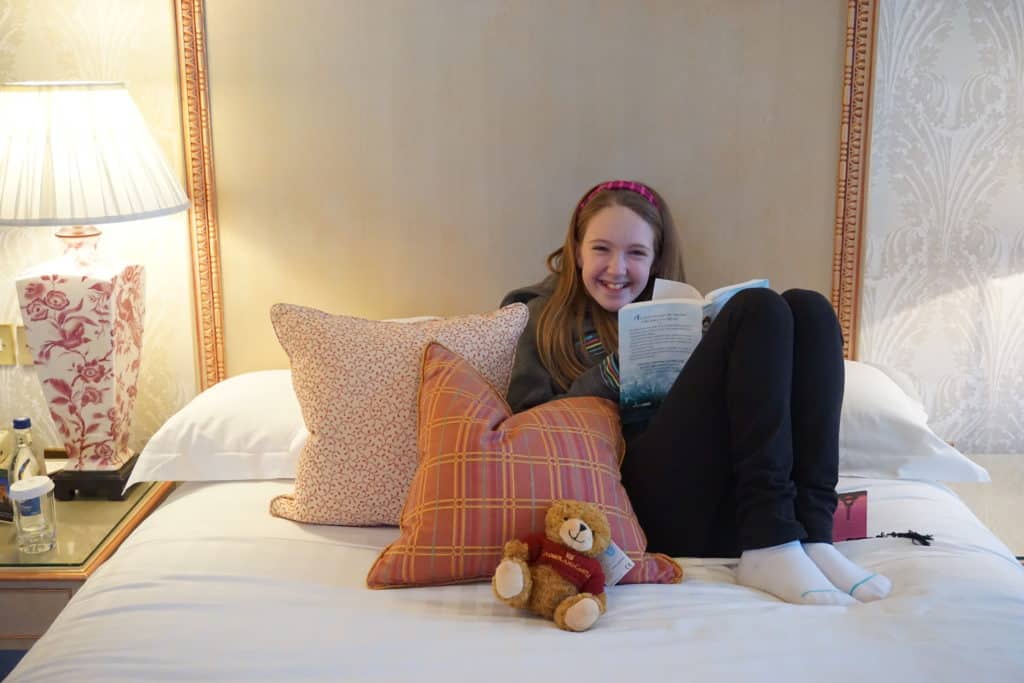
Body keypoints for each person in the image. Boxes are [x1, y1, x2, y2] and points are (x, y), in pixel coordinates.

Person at [501, 179, 890, 605]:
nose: (617, 268)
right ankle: (769, 542)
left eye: (636, 253)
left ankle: (814, 535)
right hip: (636, 503)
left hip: (718, 497)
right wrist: (613, 374)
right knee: (755, 310)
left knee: (809, 308)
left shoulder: (676, 311)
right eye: (601, 249)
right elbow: (525, 429)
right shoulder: (537, 316)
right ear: (576, 250)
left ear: (656, 259)